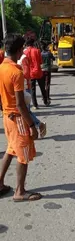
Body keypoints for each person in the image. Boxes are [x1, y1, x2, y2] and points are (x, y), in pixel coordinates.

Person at [0, 34, 42, 201]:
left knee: (10, 150)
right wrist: (32, 125)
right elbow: (20, 104)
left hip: (6, 117)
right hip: (18, 119)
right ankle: (20, 192)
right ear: (19, 51)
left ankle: (0, 183)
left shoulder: (1, 68)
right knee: (23, 155)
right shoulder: (16, 73)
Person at [18, 53, 46, 138]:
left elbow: (26, 74)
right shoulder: (13, 58)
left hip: (25, 87)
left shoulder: (23, 58)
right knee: (25, 111)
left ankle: (38, 124)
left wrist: (16, 75)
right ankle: (37, 125)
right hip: (19, 87)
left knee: (25, 110)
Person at [24, 39, 49, 109]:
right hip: (38, 72)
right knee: (42, 87)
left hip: (30, 73)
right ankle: (46, 101)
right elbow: (41, 62)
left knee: (32, 89)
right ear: (33, 44)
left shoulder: (25, 52)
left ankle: (35, 105)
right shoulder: (37, 51)